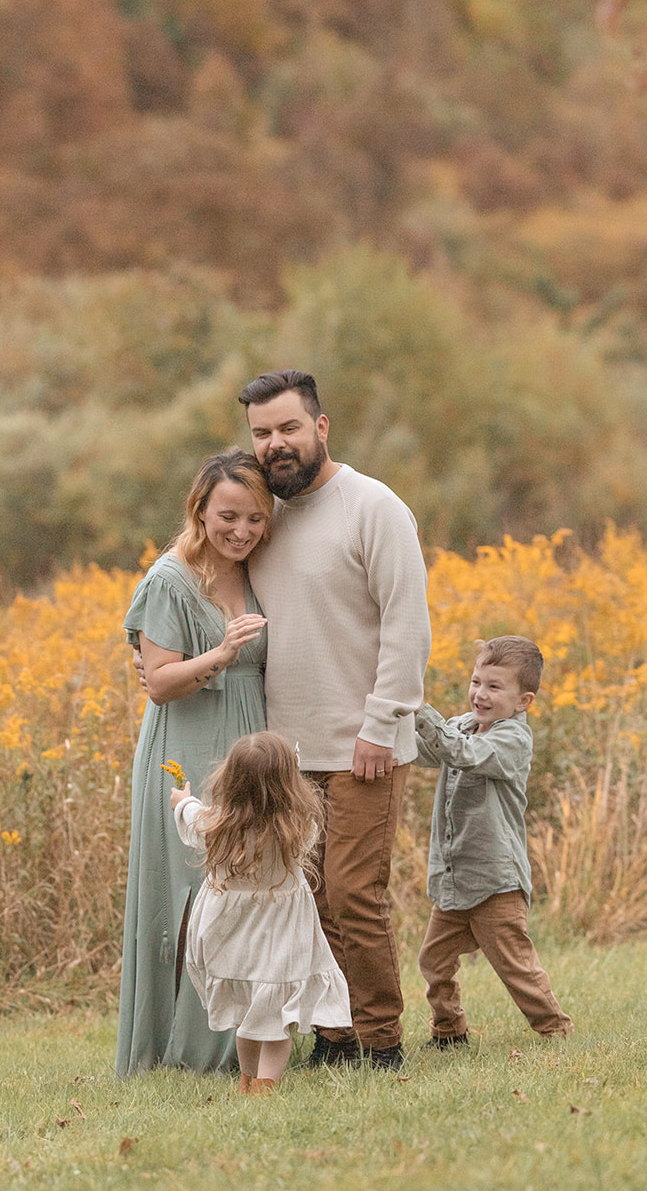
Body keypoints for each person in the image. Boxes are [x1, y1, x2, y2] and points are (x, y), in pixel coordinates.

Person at [239, 369, 432, 1070]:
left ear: (320, 428)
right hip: (286, 751)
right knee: (309, 898)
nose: (274, 444)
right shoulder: (263, 515)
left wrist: (382, 725)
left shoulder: (374, 507)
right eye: (261, 433)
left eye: (288, 428)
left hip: (362, 744)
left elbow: (407, 625)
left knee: (354, 896)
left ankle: (380, 1042)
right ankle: (335, 1036)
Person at [115, 448, 273, 1077]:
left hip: (248, 750)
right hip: (185, 751)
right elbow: (158, 682)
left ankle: (247, 1044)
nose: (242, 531)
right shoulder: (169, 579)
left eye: (256, 519)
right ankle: (178, 1051)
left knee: (248, 893)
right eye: (229, 516)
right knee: (187, 897)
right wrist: (222, 654)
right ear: (200, 511)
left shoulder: (259, 569)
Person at [169, 731, 352, 1093]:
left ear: (230, 779)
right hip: (280, 945)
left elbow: (190, 815)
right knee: (274, 1019)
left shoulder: (216, 826)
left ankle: (247, 1080)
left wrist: (181, 800)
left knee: (247, 1019)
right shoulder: (298, 828)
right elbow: (308, 835)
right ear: (289, 783)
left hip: (234, 944)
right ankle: (265, 1086)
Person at [413, 635, 573, 1046]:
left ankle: (555, 1029)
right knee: (433, 962)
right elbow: (430, 751)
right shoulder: (461, 724)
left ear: (524, 701)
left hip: (495, 880)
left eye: (494, 687)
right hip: (455, 878)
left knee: (516, 966)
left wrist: (417, 705)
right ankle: (449, 1031)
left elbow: (463, 754)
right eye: (476, 682)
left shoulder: (513, 740)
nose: (480, 694)